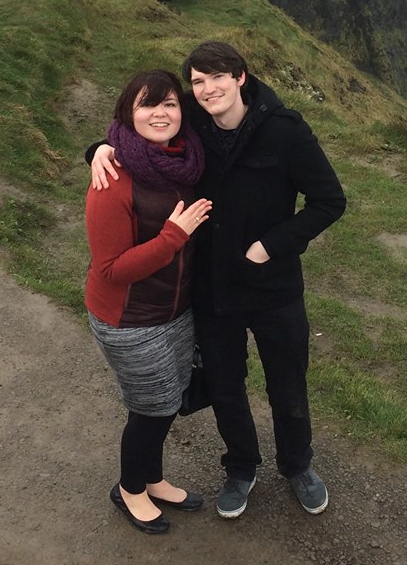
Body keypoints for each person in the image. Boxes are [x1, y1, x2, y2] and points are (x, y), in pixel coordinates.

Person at [91, 42, 346, 520]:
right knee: (226, 386)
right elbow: (142, 131)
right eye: (198, 81)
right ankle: (241, 468)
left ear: (240, 77)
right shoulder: (193, 121)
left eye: (218, 77)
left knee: (288, 384)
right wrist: (101, 148)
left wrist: (270, 245)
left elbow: (330, 201)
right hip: (212, 289)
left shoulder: (286, 131)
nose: (208, 89)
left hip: (274, 288)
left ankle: (298, 466)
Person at [84, 69, 212, 536]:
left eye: (170, 104)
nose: (160, 114)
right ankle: (130, 488)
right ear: (127, 113)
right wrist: (173, 237)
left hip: (174, 311)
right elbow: (111, 270)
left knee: (167, 400)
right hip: (129, 319)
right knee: (152, 408)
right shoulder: (112, 179)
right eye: (147, 105)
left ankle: (152, 477)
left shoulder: (187, 159)